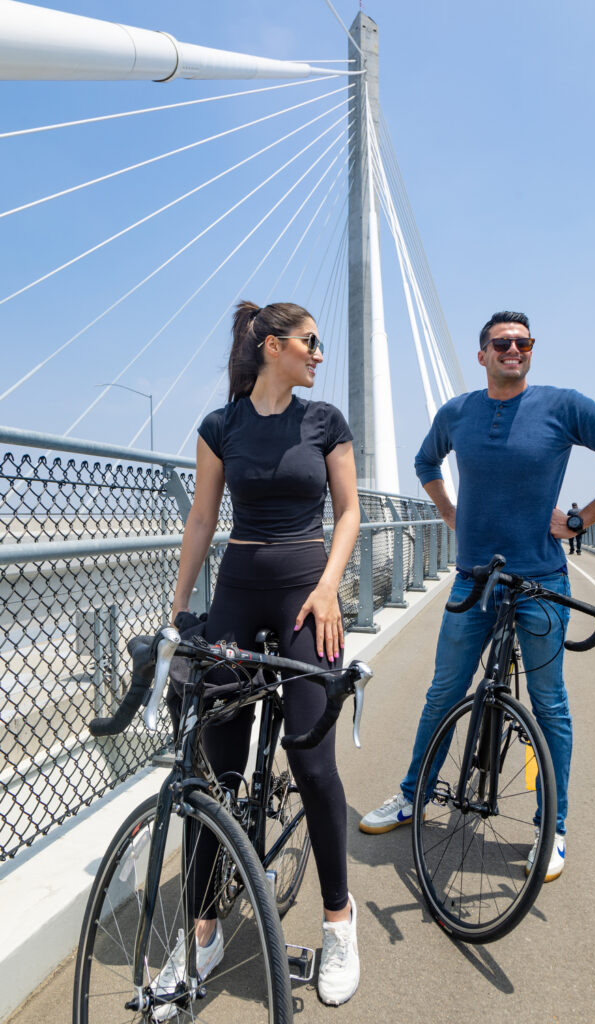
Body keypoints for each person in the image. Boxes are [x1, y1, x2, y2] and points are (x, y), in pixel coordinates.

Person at [359, 311, 595, 882]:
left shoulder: (563, 406)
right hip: (473, 579)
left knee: (550, 705)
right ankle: (412, 796)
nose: (513, 350)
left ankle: (554, 825)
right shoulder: (459, 413)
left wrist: (580, 519)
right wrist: (449, 511)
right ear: (483, 354)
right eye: (502, 343)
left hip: (541, 582)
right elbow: (425, 461)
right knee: (444, 692)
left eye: (523, 343)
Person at [161, 300, 361, 1009]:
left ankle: (339, 921)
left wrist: (332, 586)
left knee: (311, 759)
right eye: (310, 341)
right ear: (274, 346)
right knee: (215, 769)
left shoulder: (325, 421)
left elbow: (349, 512)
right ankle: (204, 931)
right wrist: (179, 610)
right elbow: (203, 518)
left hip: (310, 596)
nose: (318, 353)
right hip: (240, 594)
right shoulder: (221, 427)